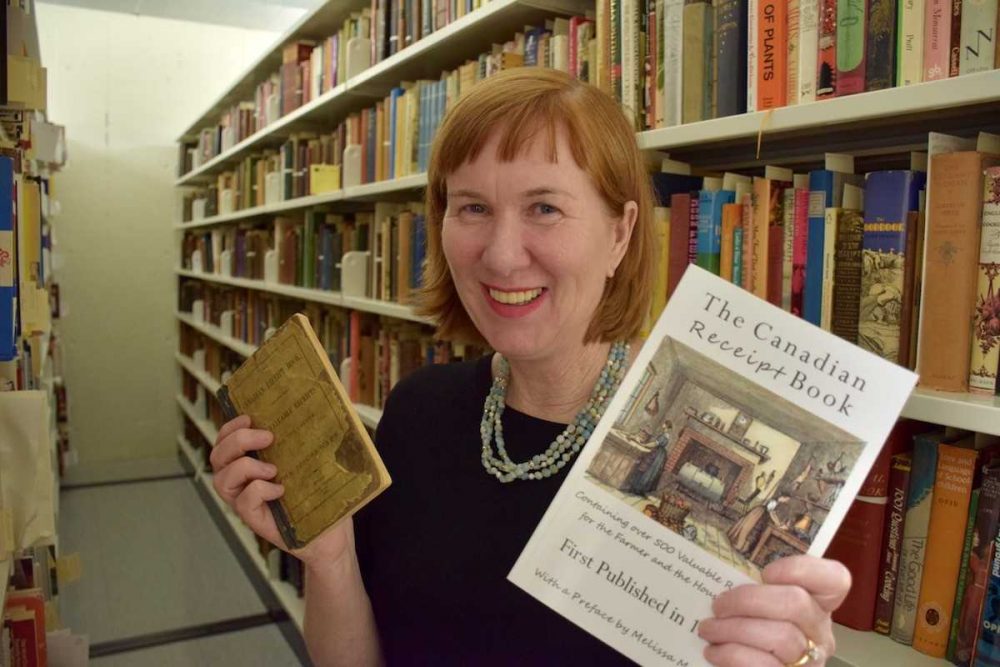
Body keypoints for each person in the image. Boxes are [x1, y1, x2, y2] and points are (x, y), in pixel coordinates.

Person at [210, 68, 848, 666]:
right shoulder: (416, 410)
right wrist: (329, 560)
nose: (502, 255)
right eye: (473, 208)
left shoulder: (670, 467)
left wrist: (798, 655)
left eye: (544, 207)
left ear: (621, 234)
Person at [623, 420, 672, 497]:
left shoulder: (664, 436)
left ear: (666, 425)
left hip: (657, 455)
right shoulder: (665, 435)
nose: (662, 424)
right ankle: (636, 488)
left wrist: (644, 445)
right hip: (658, 454)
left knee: (647, 470)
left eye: (664, 423)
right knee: (646, 469)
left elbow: (654, 444)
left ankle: (637, 489)